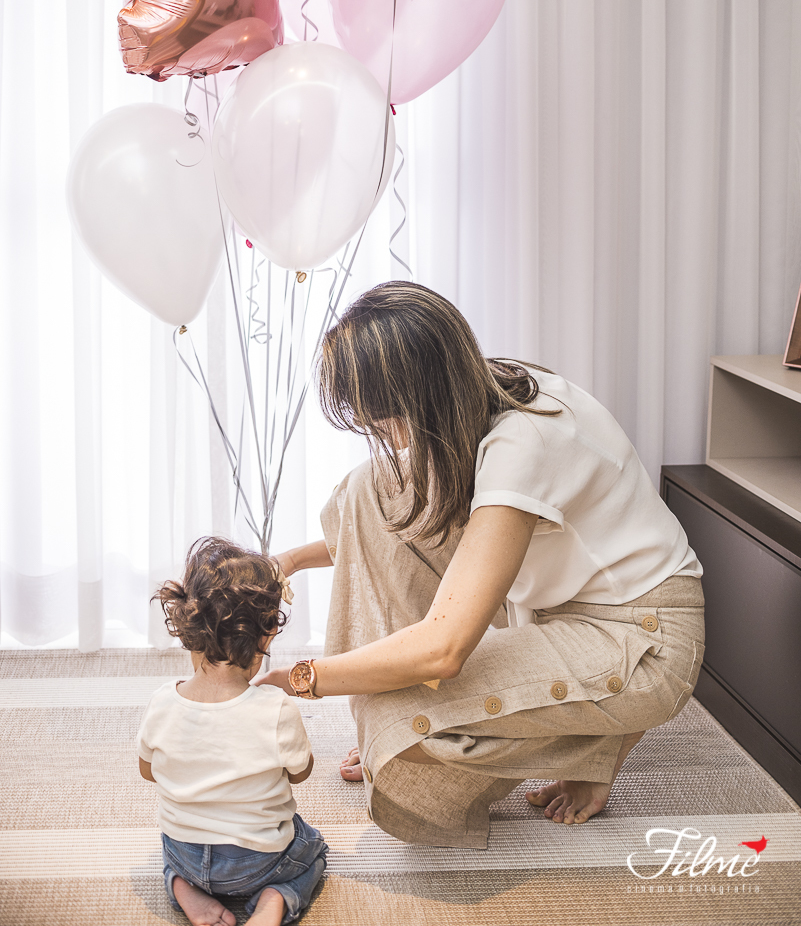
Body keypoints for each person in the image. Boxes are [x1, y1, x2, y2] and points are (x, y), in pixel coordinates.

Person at [258, 281, 705, 849]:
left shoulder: (523, 445)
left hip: (642, 638)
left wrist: (307, 678)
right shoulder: (484, 386)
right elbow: (397, 515)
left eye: (383, 419)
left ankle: (601, 741)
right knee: (370, 490)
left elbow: (442, 652)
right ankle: (514, 716)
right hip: (553, 608)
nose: (383, 434)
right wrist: (290, 561)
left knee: (397, 722)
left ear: (417, 395)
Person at [137, 538, 328, 926]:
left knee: (168, 847)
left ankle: (183, 886)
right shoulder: (276, 709)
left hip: (187, 855)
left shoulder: (161, 702)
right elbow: (300, 773)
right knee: (312, 847)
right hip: (257, 862)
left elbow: (148, 771)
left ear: (188, 628)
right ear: (265, 637)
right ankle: (275, 899)